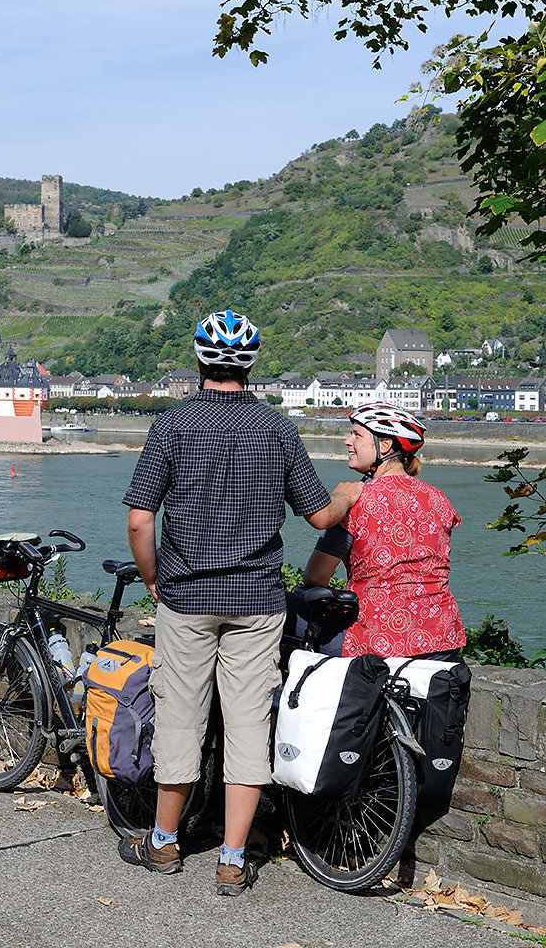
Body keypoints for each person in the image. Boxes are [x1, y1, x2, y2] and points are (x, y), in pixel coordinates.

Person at [119, 310, 362, 895]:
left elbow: (138, 520)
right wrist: (351, 492)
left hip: (187, 595)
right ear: (250, 365)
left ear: (201, 360)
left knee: (179, 716)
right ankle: (232, 858)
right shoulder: (276, 429)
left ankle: (163, 843)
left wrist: (155, 580)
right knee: (249, 724)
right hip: (256, 597)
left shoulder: (172, 425)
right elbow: (320, 516)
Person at [303, 402, 465, 660]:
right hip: (442, 638)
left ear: (385, 445)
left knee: (284, 614)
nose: (347, 441)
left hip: (379, 640)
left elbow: (315, 578)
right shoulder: (439, 500)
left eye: (357, 434)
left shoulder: (355, 501)